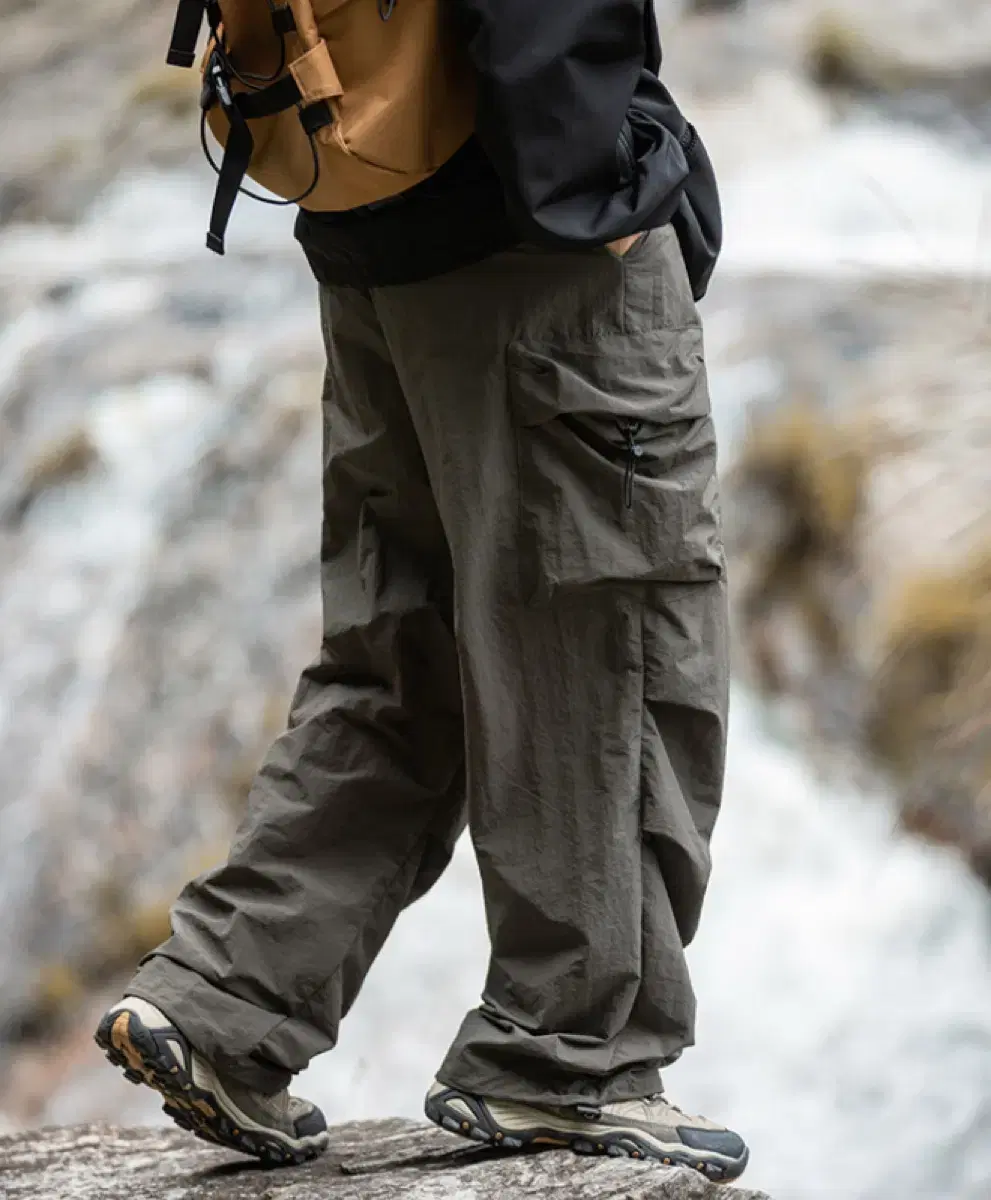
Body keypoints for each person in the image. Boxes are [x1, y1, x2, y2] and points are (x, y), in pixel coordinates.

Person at [97, 0, 748, 1183]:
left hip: (367, 204)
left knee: (412, 657)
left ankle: (228, 1004)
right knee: (613, 646)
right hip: (527, 233)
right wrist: (601, 179)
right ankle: (570, 1062)